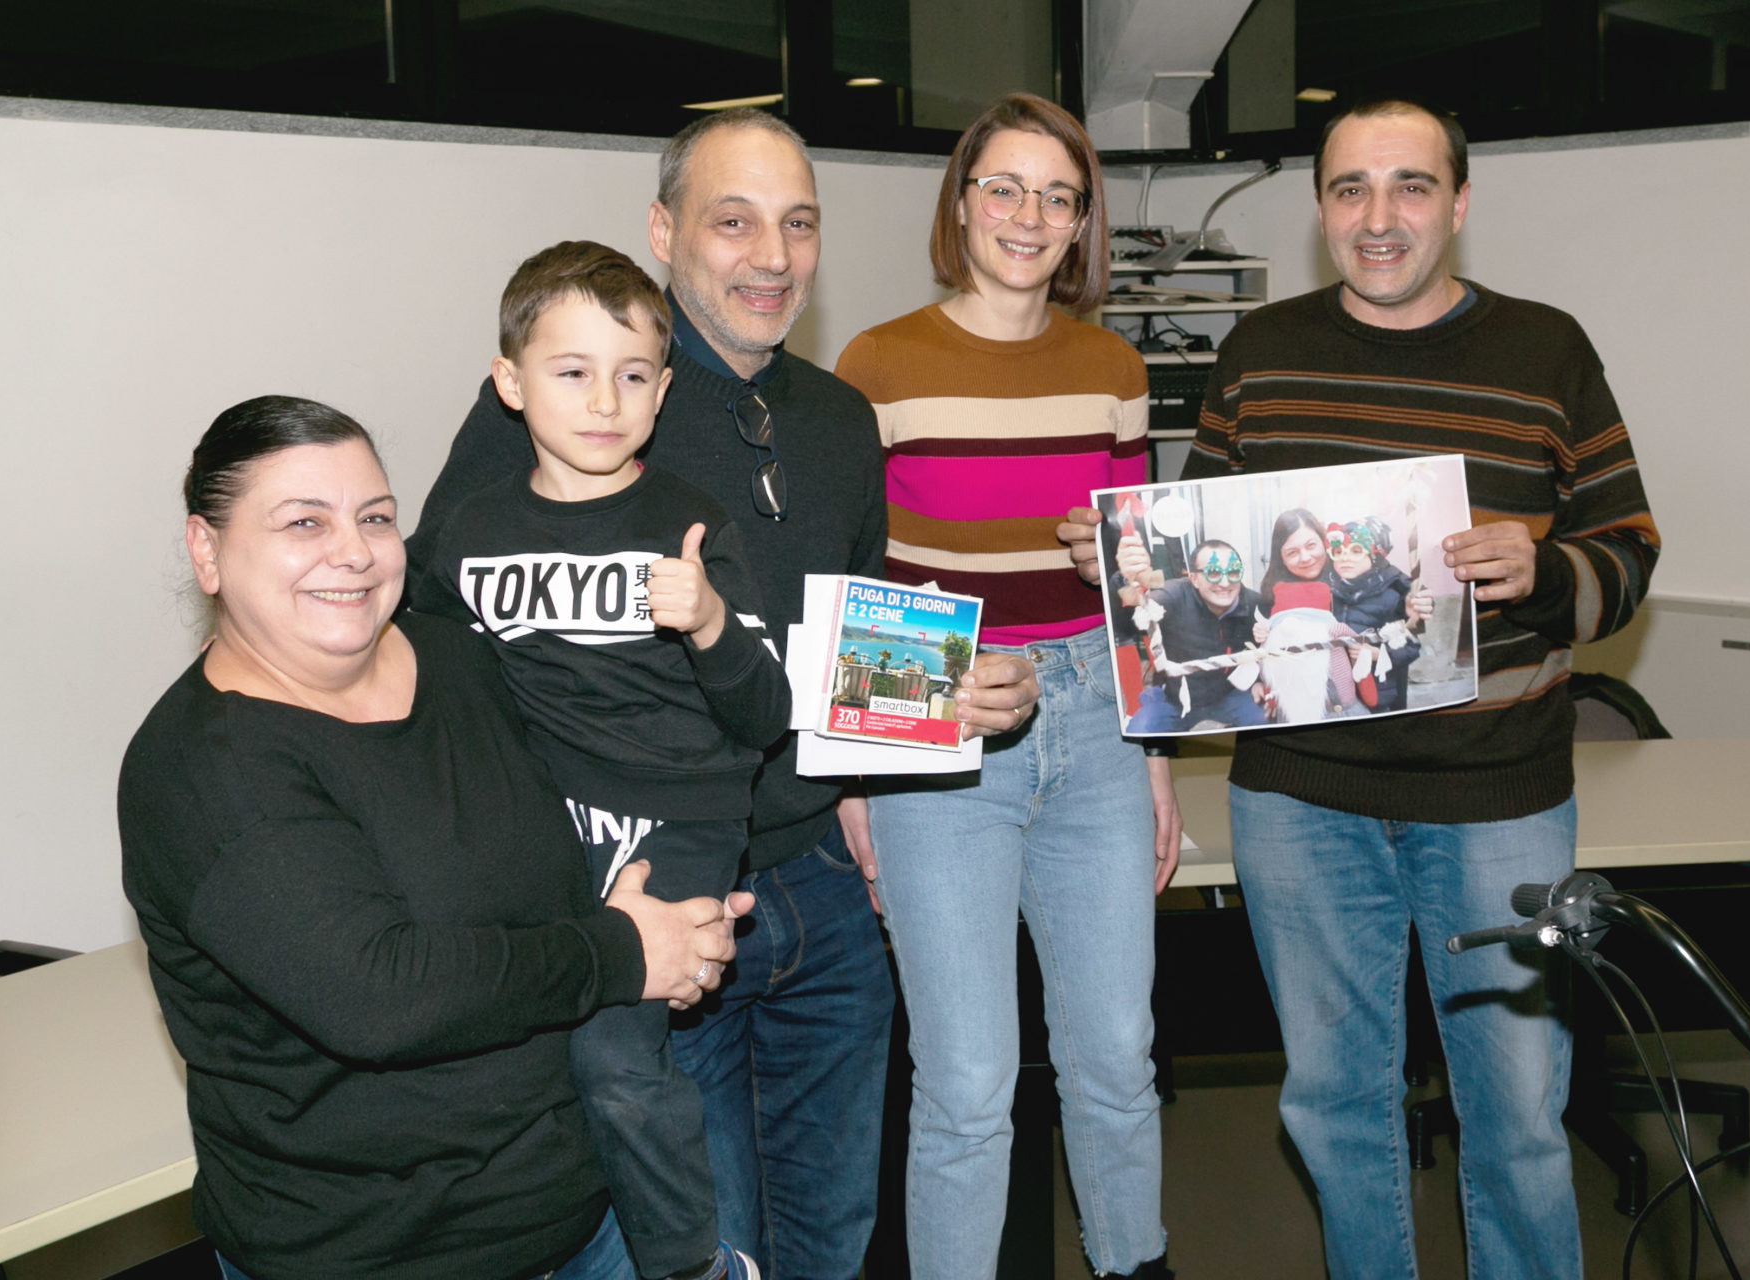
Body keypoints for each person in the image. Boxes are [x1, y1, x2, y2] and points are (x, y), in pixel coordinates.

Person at [405, 109, 1041, 1278]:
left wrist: (941, 693)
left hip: (823, 889)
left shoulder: (840, 419)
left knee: (832, 1234)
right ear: (663, 231)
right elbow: (445, 640)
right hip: (652, 893)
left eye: (799, 223)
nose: (773, 256)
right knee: (710, 1242)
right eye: (733, 221)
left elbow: (820, 646)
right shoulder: (566, 405)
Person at [1067, 97, 1660, 1278]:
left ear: (1460, 201)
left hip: (1498, 797)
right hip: (1301, 802)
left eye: (1410, 186)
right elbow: (1209, 557)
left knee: (1519, 1122)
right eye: (1350, 189)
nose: (1378, 217)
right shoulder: (1259, 352)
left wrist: (1545, 569)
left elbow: (1630, 551)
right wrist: (1137, 568)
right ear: (1321, 208)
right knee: (1335, 1108)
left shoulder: (1548, 350)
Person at [120, 396, 750, 1280]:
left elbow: (569, 853)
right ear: (206, 549)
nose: (353, 551)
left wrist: (674, 923)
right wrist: (622, 953)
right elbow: (381, 996)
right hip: (376, 1253)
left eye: (376, 518)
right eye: (305, 522)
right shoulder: (202, 770)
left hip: (588, 1217)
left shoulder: (458, 659)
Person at [833, 92, 1176, 1280]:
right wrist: (860, 775)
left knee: (1117, 1057)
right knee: (969, 1080)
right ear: (963, 202)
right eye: (1005, 188)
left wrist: (1156, 753)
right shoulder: (878, 362)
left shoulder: (1115, 368)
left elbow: (1142, 583)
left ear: (1082, 223)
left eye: (1059, 196)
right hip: (940, 715)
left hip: (1098, 719)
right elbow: (856, 575)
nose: (1030, 215)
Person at [415, 243, 787, 1280]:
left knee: (615, 1053)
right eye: (572, 371)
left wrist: (710, 622)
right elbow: (429, 685)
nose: (603, 401)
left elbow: (767, 714)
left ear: (663, 392)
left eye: (631, 375)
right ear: (510, 383)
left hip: (679, 815)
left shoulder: (688, 524)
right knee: (516, 1044)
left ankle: (693, 1264)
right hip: (544, 823)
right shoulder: (470, 532)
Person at [1114, 536, 1266, 732]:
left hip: (1229, 694)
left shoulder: (1255, 604)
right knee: (1141, 729)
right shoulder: (1173, 595)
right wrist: (1125, 581)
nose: (1225, 582)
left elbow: (1273, 652)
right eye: (1213, 573)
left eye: (1233, 572)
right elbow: (1128, 621)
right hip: (1175, 698)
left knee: (1266, 719)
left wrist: (1259, 681)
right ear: (1194, 579)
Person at [1326, 516, 1422, 712]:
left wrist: (1378, 654)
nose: (1345, 557)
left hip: (1377, 695)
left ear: (1375, 556)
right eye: (1338, 552)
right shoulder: (1327, 592)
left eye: (1356, 551)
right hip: (1337, 694)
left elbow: (1411, 647)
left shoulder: (1392, 596)